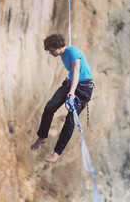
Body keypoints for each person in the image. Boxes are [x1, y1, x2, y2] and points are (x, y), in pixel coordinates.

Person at [31, 34, 94, 163]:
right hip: (71, 83)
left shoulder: (73, 51)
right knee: (49, 107)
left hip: (83, 88)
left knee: (70, 121)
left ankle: (57, 152)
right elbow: (73, 72)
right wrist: (69, 80)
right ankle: (42, 136)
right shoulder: (63, 54)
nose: (50, 53)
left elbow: (76, 72)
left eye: (51, 50)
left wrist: (71, 92)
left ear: (57, 47)